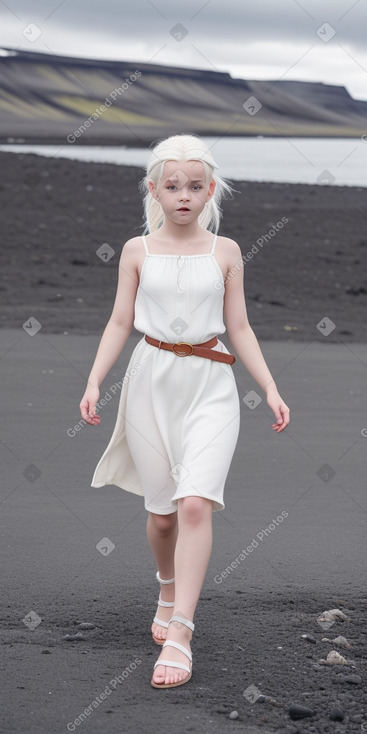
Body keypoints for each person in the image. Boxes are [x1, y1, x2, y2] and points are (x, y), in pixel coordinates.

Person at [79, 134, 290, 689]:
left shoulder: (226, 251)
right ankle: (167, 584)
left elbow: (239, 325)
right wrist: (95, 379)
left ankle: (181, 632)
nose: (183, 195)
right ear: (153, 189)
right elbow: (121, 321)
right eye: (172, 186)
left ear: (210, 190)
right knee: (162, 516)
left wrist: (269, 387)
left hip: (211, 384)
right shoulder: (135, 251)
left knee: (195, 503)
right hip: (150, 383)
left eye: (195, 186)